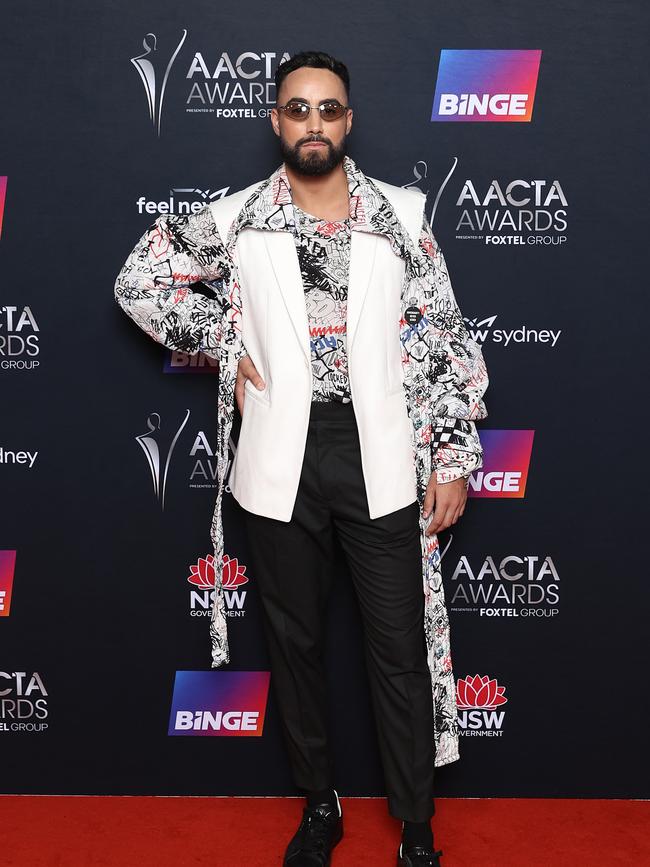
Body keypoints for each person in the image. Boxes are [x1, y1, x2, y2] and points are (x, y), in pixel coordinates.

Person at [114, 50, 488, 867]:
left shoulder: (401, 211)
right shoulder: (237, 215)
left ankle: (416, 826)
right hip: (281, 455)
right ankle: (320, 804)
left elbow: (444, 335)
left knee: (397, 651)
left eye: (328, 109)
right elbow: (139, 279)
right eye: (296, 109)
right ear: (275, 121)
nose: (312, 123)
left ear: (348, 121)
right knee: (297, 646)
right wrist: (219, 338)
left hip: (381, 450)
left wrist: (455, 451)